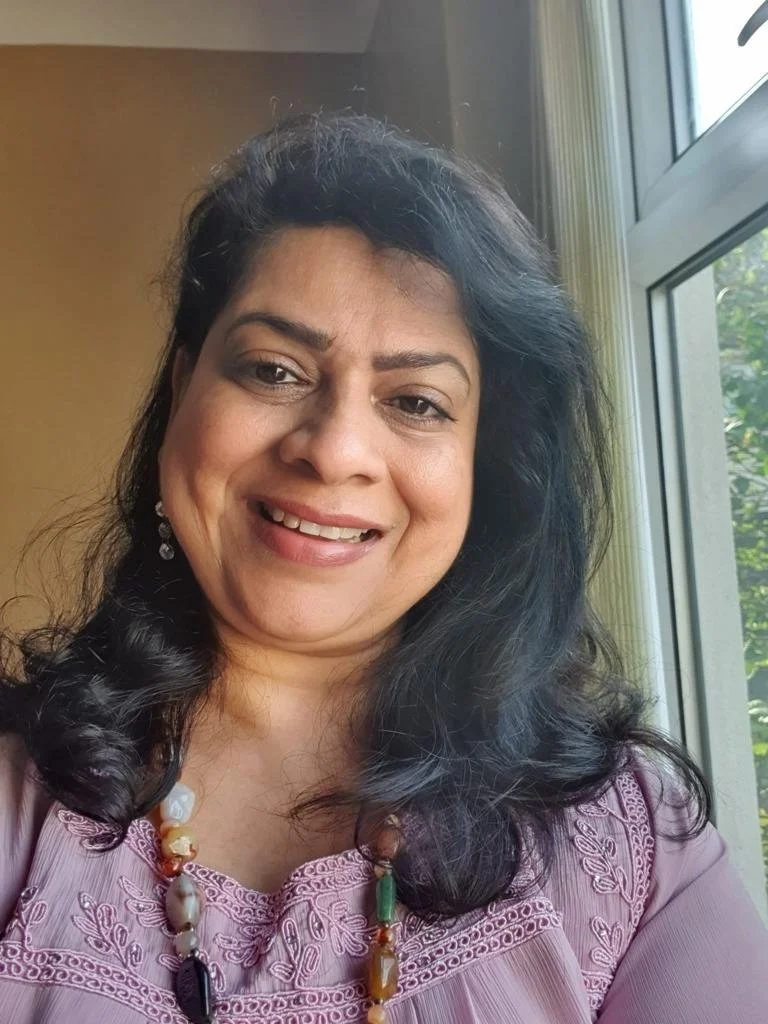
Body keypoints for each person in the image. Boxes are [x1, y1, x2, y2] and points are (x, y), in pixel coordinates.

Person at [0, 111, 766, 1024]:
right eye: (274, 370)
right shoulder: (18, 806)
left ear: (488, 464)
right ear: (182, 390)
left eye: (416, 401)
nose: (333, 451)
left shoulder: (631, 852)